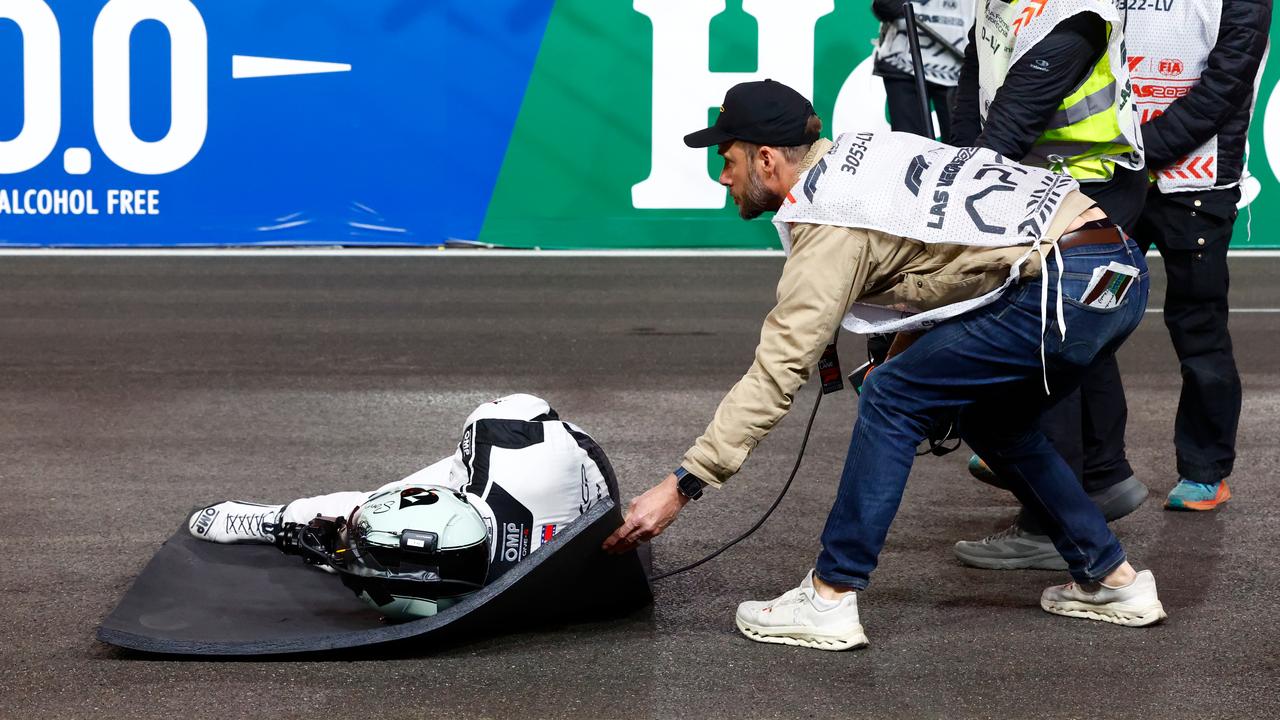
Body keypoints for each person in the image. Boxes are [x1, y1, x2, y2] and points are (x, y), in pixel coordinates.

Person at [603, 79, 1166, 651]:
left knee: (893, 396)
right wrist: (902, 353)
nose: (723, 176)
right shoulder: (865, 156)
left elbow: (777, 371)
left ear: (766, 160)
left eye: (728, 159)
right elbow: (954, 267)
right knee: (992, 421)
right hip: (1115, 273)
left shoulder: (831, 219)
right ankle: (1111, 579)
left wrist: (682, 486)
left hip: (1058, 288)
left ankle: (830, 595)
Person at [948, 0, 1152, 570]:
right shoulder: (1002, 3)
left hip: (1086, 184)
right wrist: (962, 162)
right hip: (1061, 182)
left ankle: (1048, 526)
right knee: (1082, 337)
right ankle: (1104, 477)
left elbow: (1014, 117)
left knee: (1048, 340)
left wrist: (965, 198)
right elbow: (976, 81)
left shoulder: (1072, 10)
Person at [189, 394, 617, 583]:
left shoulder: (497, 568)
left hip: (563, 475)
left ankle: (286, 522)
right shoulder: (490, 435)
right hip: (539, 454)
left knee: (377, 507)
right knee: (384, 501)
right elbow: (526, 406)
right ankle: (279, 519)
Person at [1127, 0, 1271, 510]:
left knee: (1199, 329)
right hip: (1110, 169)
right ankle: (1064, 453)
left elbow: (1223, 89)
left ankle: (1205, 470)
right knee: (1075, 320)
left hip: (1197, 184)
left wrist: (1139, 148)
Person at [871, 0, 972, 139]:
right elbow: (882, 6)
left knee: (961, 148)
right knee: (909, 146)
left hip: (960, 64)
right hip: (903, 60)